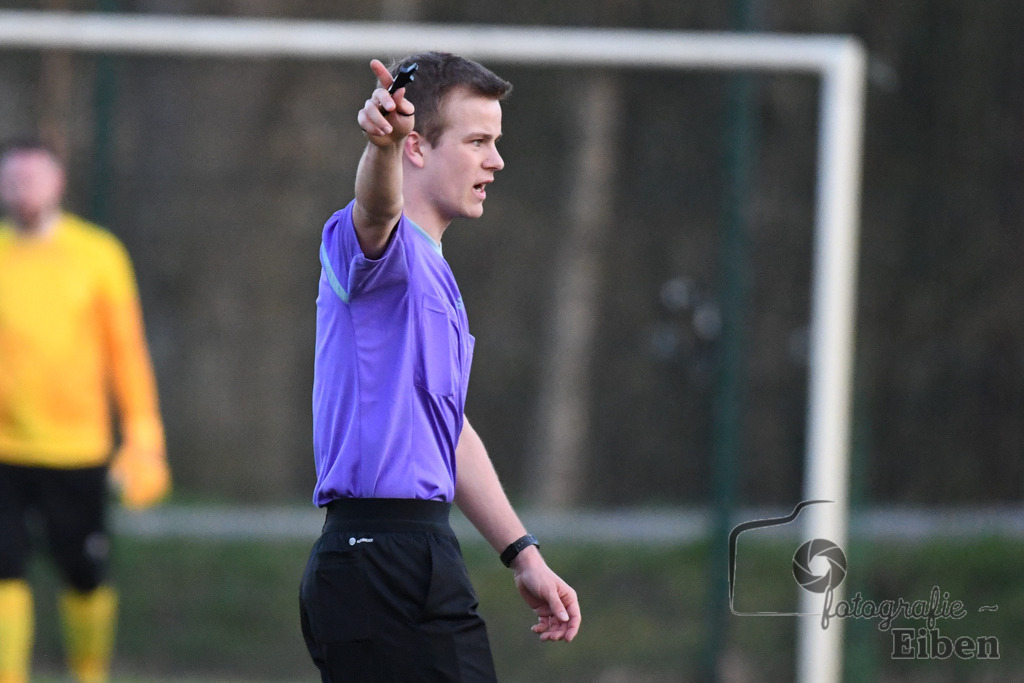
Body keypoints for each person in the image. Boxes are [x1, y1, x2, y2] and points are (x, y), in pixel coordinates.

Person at [299, 53, 581, 681]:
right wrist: (382, 146)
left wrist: (521, 553)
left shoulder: (435, 273)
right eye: (478, 141)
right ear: (418, 148)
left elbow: (445, 429)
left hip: (415, 551)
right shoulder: (376, 247)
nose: (496, 161)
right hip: (381, 557)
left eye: (496, 142)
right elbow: (375, 210)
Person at [0, 138, 171, 683]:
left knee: (85, 576)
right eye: (14, 177)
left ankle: (90, 674)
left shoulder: (99, 255)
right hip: (4, 449)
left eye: (35, 176)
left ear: (59, 183)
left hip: (78, 449)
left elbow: (128, 357)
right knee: (3, 569)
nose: (25, 187)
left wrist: (144, 439)